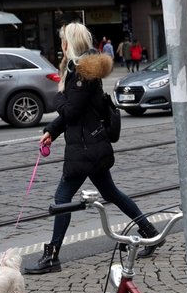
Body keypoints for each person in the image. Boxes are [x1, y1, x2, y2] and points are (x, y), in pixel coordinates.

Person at [25, 23, 162, 275]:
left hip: (85, 150)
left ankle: (52, 255)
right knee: (111, 193)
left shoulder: (82, 74)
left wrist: (57, 94)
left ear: (71, 43)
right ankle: (150, 231)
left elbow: (72, 111)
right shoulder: (81, 71)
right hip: (92, 145)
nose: (61, 46)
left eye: (63, 41)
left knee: (62, 199)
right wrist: (52, 132)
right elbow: (77, 115)